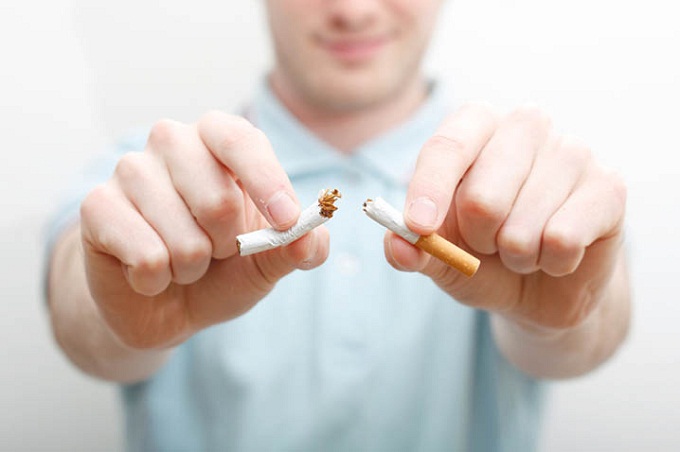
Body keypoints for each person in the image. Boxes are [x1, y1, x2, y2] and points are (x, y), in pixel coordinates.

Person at [46, 1, 631, 450]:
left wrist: (562, 318)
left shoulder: (530, 181)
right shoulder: (143, 176)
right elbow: (82, 313)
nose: (352, 11)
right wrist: (120, 306)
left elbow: (594, 323)